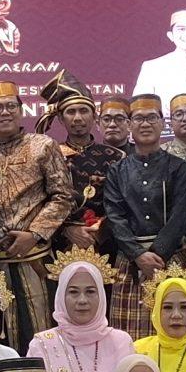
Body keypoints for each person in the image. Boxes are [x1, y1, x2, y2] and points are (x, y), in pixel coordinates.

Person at [0, 82, 76, 349]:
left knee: (40, 332)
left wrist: (34, 234)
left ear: (21, 110)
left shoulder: (43, 146)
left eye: (11, 106)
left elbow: (63, 196)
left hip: (35, 259)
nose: (5, 112)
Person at [102, 95, 186, 337]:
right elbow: (115, 216)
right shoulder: (117, 171)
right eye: (138, 118)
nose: (145, 124)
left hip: (170, 259)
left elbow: (181, 215)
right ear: (129, 125)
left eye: (152, 118)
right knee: (128, 337)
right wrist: (138, 255)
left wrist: (157, 254)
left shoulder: (179, 167)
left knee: (173, 332)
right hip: (129, 262)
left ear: (163, 123)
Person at [28, 255, 136, 372]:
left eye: (90, 291)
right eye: (73, 292)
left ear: (101, 295)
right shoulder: (42, 344)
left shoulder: (121, 342)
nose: (82, 300)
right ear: (61, 295)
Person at [53, 80, 121, 258]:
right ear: (61, 118)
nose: (77, 118)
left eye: (83, 111)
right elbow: (41, 202)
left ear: (94, 116)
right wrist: (66, 230)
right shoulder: (51, 155)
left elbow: (123, 205)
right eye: (71, 112)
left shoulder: (116, 157)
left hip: (106, 243)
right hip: (59, 244)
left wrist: (98, 232)